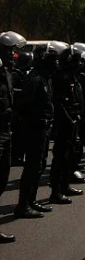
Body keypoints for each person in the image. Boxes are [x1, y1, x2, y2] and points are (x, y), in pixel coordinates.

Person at [15, 41, 66, 219]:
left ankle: (31, 200)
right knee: (32, 167)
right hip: (34, 129)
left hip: (43, 129)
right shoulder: (35, 79)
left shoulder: (46, 78)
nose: (57, 64)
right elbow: (25, 107)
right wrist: (36, 124)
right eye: (54, 61)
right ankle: (23, 205)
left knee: (40, 165)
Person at [49, 46, 85, 204]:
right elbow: (58, 103)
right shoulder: (61, 77)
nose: (80, 64)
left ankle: (65, 185)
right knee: (61, 157)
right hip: (64, 123)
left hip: (73, 120)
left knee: (70, 155)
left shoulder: (72, 76)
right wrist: (68, 119)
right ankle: (56, 191)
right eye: (77, 61)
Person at [0, 30, 27, 242]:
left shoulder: (7, 72)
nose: (13, 55)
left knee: (2, 179)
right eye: (10, 51)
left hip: (6, 130)